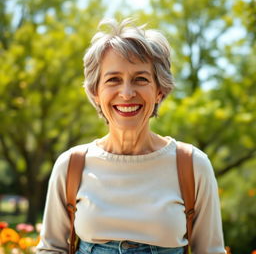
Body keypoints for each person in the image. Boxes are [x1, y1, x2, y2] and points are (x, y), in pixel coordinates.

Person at [36, 18, 226, 254]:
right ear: (96, 92)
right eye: (113, 79)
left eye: (141, 79)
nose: (126, 93)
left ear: (159, 90)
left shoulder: (192, 165)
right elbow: (51, 249)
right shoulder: (71, 165)